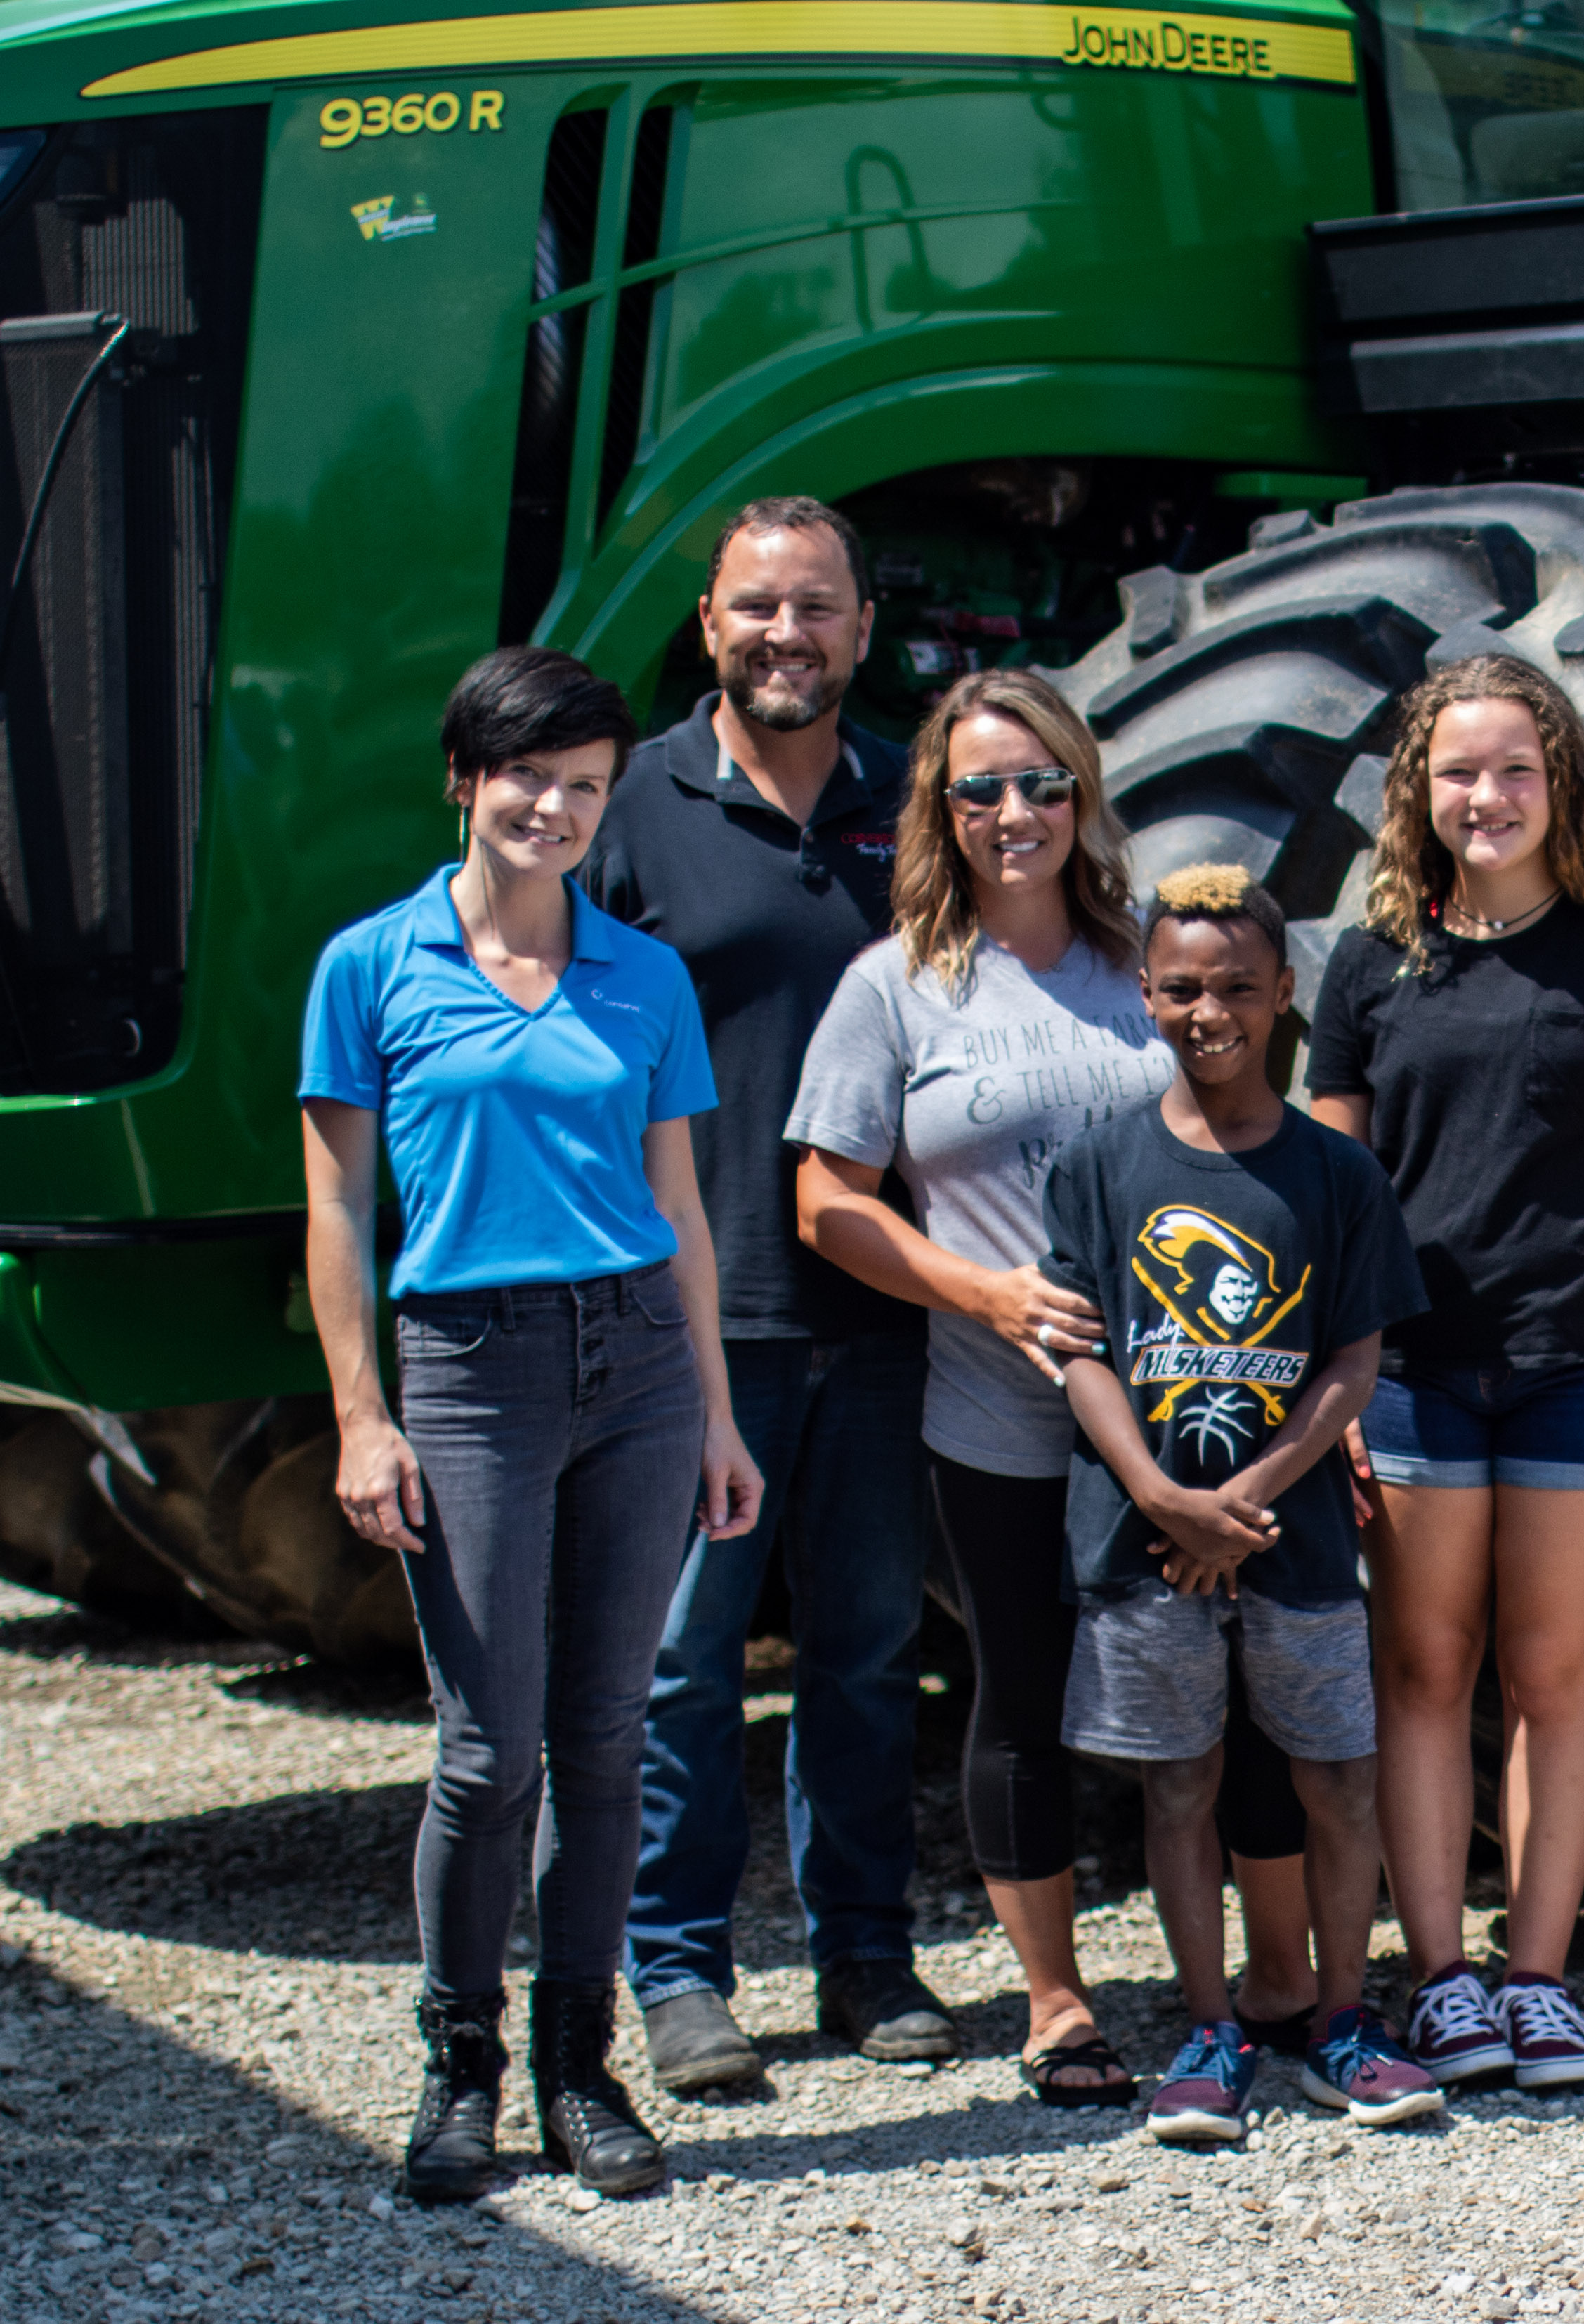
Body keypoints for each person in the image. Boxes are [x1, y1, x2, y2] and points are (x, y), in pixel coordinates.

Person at [299, 646, 766, 2202]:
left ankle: (582, 2070)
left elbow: (681, 1206)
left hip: (636, 1361)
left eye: (584, 786)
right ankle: (461, 2066)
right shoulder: (371, 967)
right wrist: (363, 1416)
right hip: (467, 1368)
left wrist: (713, 1412)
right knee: (487, 1751)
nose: (554, 810)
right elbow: (341, 1203)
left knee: (607, 1739)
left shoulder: (645, 975)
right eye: (527, 781)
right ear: (463, 780)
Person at [1305, 656, 1584, 2091]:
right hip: (1412, 1369)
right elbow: (1333, 1187)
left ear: (1564, 784)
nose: (1487, 797)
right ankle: (1442, 1980)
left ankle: (1537, 1979)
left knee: (1554, 1673)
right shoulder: (1371, 963)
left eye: (1516, 770)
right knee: (1423, 1670)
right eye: (1459, 771)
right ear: (1419, 790)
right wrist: (1330, 1387)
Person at [584, 494, 953, 2094]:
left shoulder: (919, 805)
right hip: (694, 1315)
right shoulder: (632, 810)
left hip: (881, 1307)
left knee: (869, 1650)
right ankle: (676, 1972)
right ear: (709, 624)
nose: (785, 635)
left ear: (864, 629)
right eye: (755, 608)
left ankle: (866, 1955)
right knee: (683, 1655)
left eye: (816, 608)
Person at [785, 667, 1175, 2107]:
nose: (1016, 812)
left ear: (1082, 793)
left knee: (1221, 1689)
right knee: (1020, 1691)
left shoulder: (1143, 962)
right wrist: (987, 1292)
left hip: (1183, 1404)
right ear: (940, 813)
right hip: (997, 1411)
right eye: (982, 789)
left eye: (1043, 783)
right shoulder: (892, 986)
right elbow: (830, 1202)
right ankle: (1060, 1996)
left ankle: (1250, 1983)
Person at [1049, 866, 1440, 2145]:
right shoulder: (1100, 1166)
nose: (1205, 1010)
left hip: (1297, 1538)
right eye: (1178, 987)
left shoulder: (1334, 1174)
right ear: (1145, 996)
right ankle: (1209, 2027)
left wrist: (1250, 1497)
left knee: (1336, 1778)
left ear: (1283, 996)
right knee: (1180, 1790)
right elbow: (1082, 1349)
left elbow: (1352, 1364)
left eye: (1234, 987)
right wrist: (1164, 1495)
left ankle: (1339, 2017)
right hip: (1143, 1541)